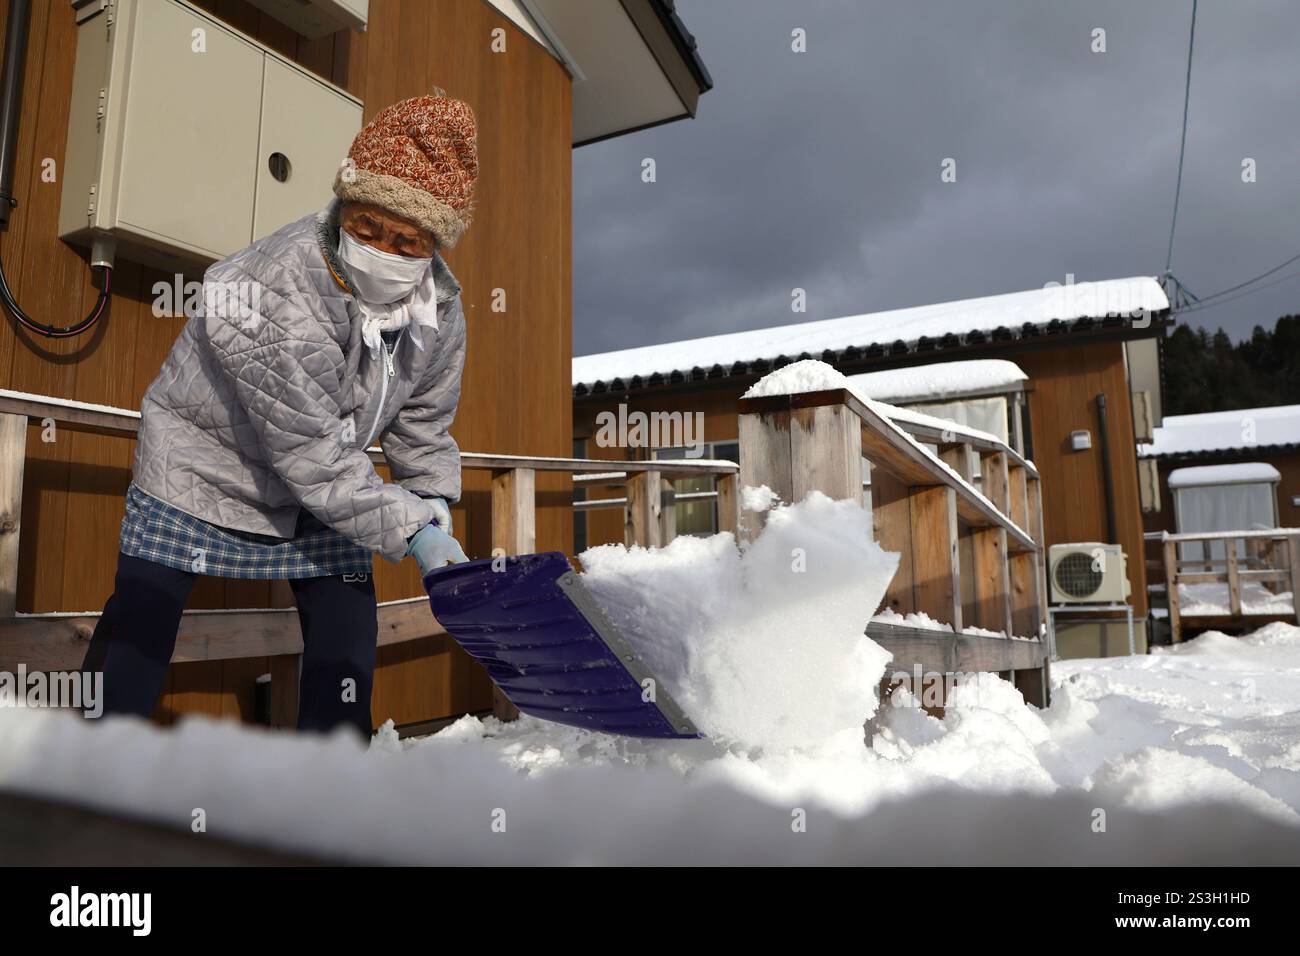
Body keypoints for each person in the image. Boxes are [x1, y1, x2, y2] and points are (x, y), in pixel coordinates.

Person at [81, 91, 479, 739]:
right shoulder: (275, 285)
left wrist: (431, 497)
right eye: (366, 227)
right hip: (200, 469)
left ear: (434, 246)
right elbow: (314, 456)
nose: (382, 248)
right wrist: (414, 532)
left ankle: (331, 781)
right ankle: (89, 771)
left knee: (348, 624)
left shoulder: (437, 306)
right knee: (141, 620)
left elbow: (422, 419)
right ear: (343, 206)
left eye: (405, 240)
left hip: (325, 487)